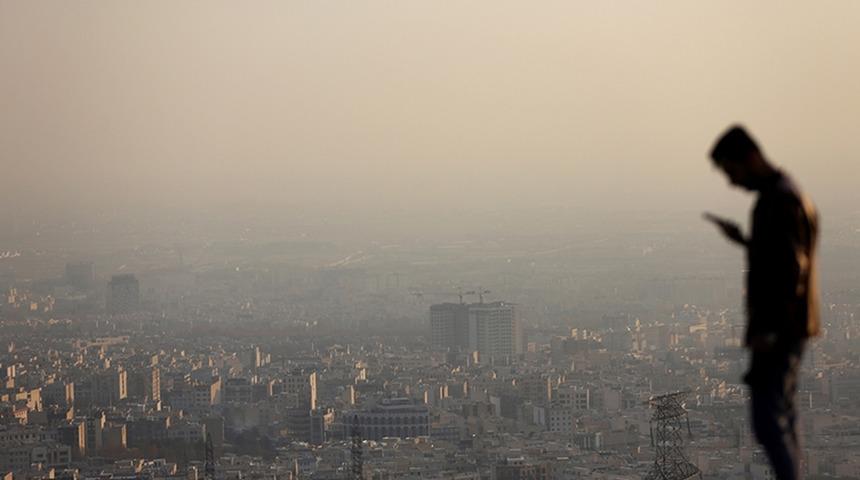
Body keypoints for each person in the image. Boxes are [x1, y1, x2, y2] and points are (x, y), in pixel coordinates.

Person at [705, 125, 819, 480]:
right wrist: (746, 241)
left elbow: (790, 271)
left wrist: (771, 331)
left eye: (731, 171)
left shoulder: (780, 201)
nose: (733, 183)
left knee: (769, 421)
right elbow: (781, 257)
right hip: (786, 326)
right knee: (780, 416)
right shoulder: (784, 195)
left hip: (780, 328)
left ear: (749, 158)